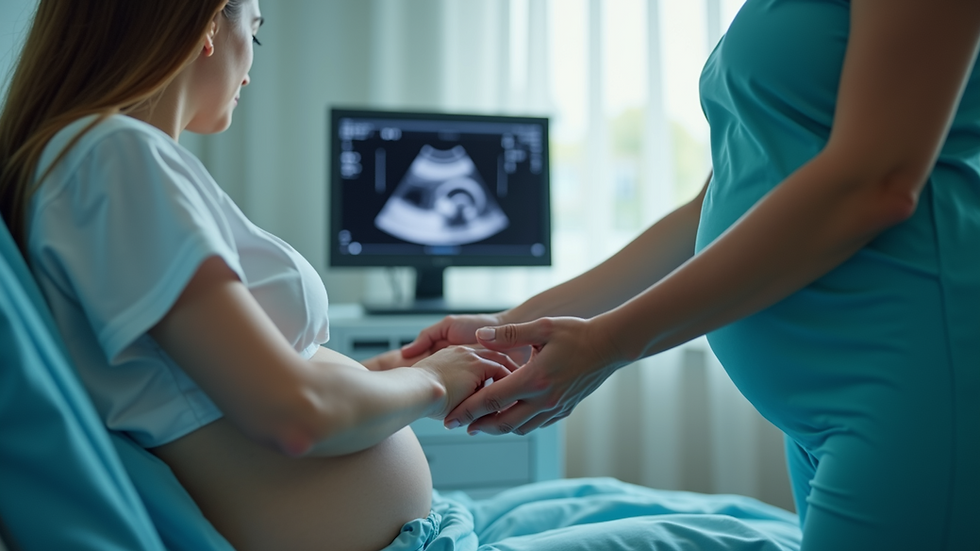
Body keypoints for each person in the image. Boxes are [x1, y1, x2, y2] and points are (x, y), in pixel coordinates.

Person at [0, 1, 806, 551]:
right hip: (412, 537)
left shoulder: (92, 164)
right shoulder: (112, 157)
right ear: (210, 22)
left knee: (722, 517)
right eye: (258, 30)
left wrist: (386, 370)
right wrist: (434, 382)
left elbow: (220, 391)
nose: (251, 64)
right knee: (752, 536)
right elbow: (296, 415)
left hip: (425, 525)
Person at [403, 1, 980, 549]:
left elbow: (876, 182)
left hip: (910, 382)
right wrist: (507, 326)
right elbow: (710, 212)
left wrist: (609, 343)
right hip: (819, 412)